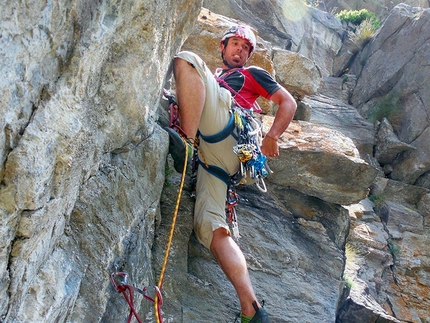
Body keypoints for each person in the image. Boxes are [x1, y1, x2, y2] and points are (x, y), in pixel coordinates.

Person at [167, 24, 297, 323]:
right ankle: (251, 308)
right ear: (223, 47)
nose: (240, 50)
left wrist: (273, 137)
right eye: (235, 44)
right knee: (211, 227)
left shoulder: (252, 74)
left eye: (246, 47)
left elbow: (287, 102)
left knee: (186, 60)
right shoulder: (215, 78)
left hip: (228, 133)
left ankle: (185, 142)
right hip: (219, 161)